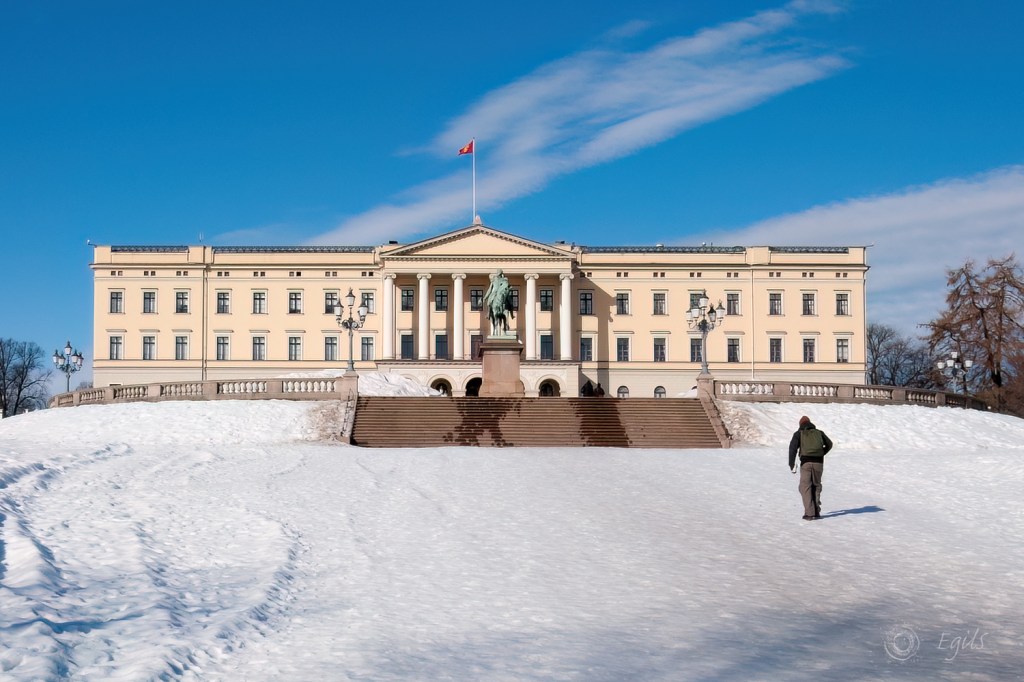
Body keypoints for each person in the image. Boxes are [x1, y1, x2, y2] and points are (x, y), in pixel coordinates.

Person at [788, 415, 833, 520]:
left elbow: (792, 449)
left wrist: (791, 464)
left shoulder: (799, 434)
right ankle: (816, 510)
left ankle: (809, 513)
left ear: (800, 424)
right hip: (819, 463)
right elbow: (829, 444)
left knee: (805, 487)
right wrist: (821, 454)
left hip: (806, 463)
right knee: (816, 485)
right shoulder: (819, 433)